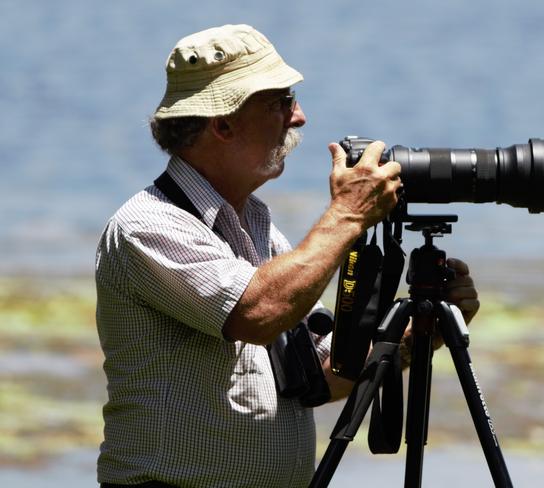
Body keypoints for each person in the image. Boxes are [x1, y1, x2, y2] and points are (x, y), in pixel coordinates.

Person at [95, 24, 479, 488]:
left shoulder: (255, 225)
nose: (298, 117)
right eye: (280, 102)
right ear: (223, 123)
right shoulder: (149, 225)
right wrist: (348, 215)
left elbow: (320, 376)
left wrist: (422, 334)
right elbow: (258, 313)